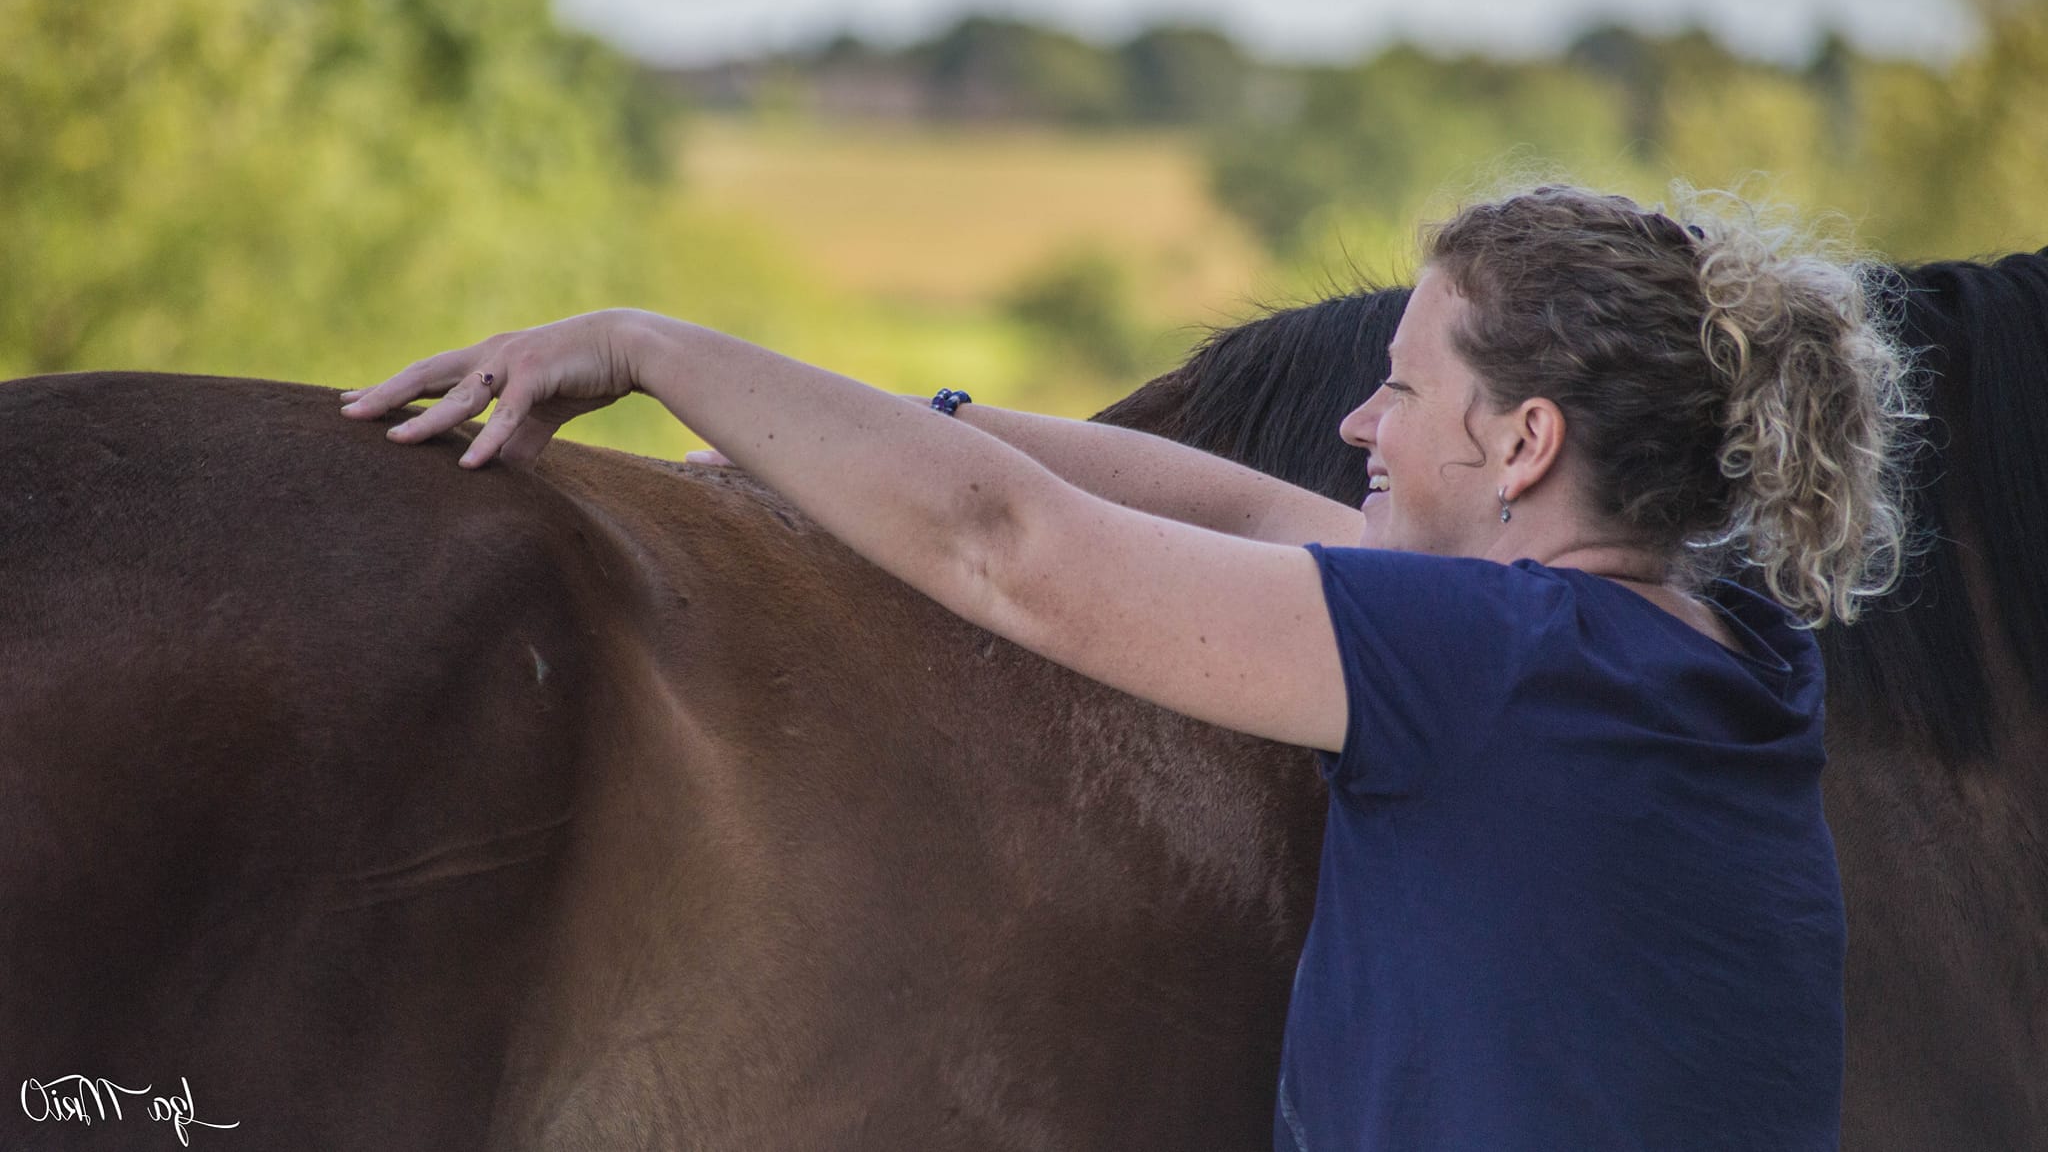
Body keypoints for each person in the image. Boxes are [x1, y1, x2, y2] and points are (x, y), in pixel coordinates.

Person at [337, 180, 1916, 1150]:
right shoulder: (1728, 659)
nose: (1360, 427)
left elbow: (1006, 554)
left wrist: (644, 344)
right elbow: (1238, 504)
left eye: (1402, 389)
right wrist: (891, 425)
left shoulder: (1481, 665)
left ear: (1522, 440)